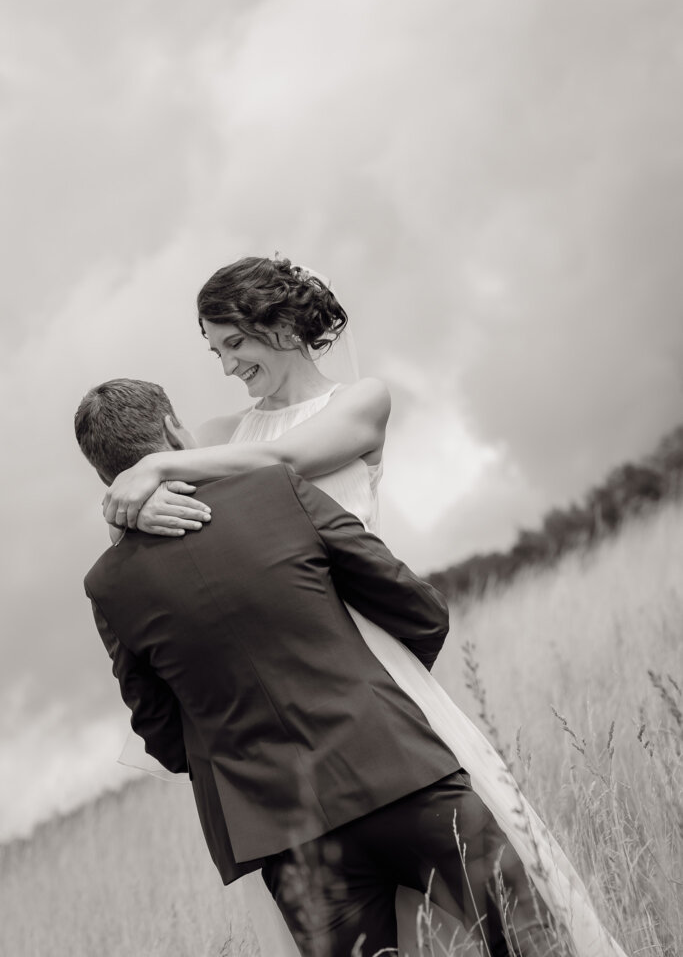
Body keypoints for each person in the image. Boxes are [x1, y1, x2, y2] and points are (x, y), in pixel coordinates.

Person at [98, 256, 629, 957]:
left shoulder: (360, 400)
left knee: (496, 897)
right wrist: (139, 503)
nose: (226, 365)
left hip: (372, 666)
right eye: (215, 349)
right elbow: (188, 544)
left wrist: (159, 467)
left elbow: (285, 463)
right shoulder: (220, 431)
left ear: (283, 325)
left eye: (235, 342)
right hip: (286, 670)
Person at [76, 377, 554, 957]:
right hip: (402, 772)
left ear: (106, 476)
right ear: (176, 429)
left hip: (285, 836)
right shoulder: (278, 490)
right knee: (530, 940)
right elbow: (420, 610)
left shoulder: (107, 585)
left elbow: (162, 735)